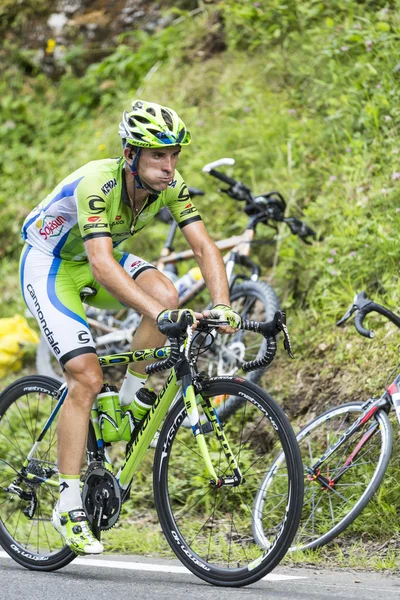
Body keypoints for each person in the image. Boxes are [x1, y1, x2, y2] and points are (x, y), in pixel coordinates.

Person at [19, 99, 241, 555]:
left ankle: (129, 395)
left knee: (166, 294)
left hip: (92, 258)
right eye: (158, 155)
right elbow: (101, 265)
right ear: (130, 156)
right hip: (51, 264)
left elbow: (203, 246)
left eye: (174, 154)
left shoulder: (169, 185)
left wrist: (223, 304)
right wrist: (159, 318)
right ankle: (67, 500)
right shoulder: (98, 183)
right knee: (85, 375)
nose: (168, 166)